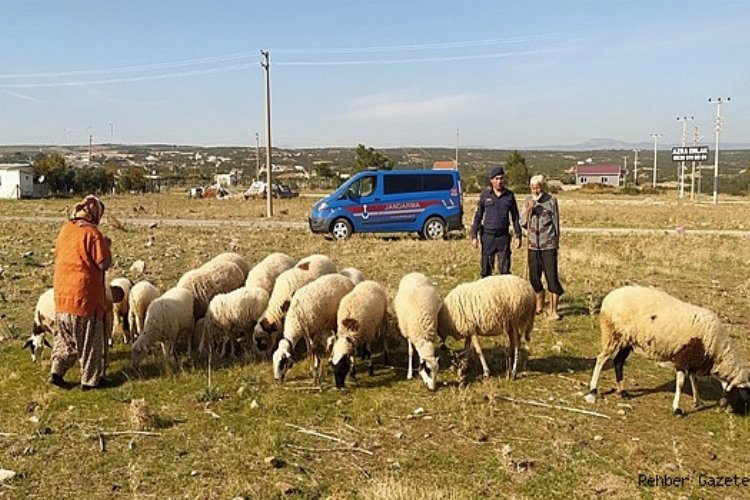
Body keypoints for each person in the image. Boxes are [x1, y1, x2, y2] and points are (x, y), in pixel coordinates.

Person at [49, 195, 112, 390]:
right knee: (89, 341)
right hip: (84, 297)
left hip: (62, 296)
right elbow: (103, 263)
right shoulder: (92, 233)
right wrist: (107, 247)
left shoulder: (66, 229)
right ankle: (91, 381)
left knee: (65, 338)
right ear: (94, 214)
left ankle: (56, 372)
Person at [521, 174, 564, 320]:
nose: (535, 190)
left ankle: (553, 310)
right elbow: (522, 223)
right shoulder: (527, 200)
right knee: (534, 278)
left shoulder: (551, 201)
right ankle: (539, 306)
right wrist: (528, 210)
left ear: (543, 187)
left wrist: (556, 241)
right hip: (533, 245)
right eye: (533, 188)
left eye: (538, 187)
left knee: (551, 277)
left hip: (548, 245)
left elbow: (556, 222)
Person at [470, 166, 522, 277]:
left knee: (504, 270)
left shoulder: (509, 196)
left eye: (501, 178)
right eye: (497, 179)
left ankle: (504, 294)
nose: (499, 181)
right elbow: (478, 216)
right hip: (488, 236)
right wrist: (474, 236)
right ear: (491, 180)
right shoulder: (485, 196)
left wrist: (518, 235)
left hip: (503, 237)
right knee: (486, 270)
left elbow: (515, 217)